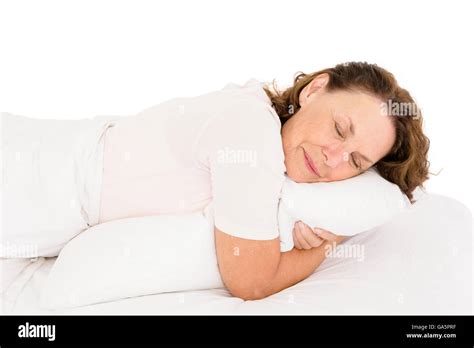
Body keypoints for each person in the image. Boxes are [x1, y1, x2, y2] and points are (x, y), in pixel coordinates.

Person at [98, 61, 430, 300]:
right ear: (314, 90)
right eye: (339, 129)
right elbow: (252, 282)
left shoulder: (273, 162)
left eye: (356, 161)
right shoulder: (251, 131)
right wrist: (336, 238)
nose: (334, 156)